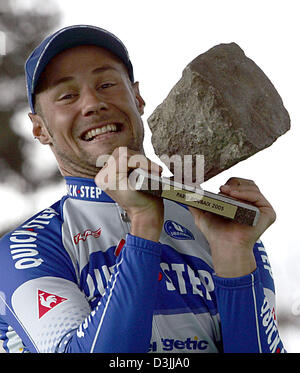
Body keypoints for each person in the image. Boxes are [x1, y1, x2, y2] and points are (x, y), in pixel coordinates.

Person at [0, 24, 285, 353]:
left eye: (106, 84)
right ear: (40, 129)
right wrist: (143, 225)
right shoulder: (27, 248)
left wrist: (234, 259)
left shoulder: (220, 227)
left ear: (137, 97)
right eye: (67, 96)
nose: (92, 103)